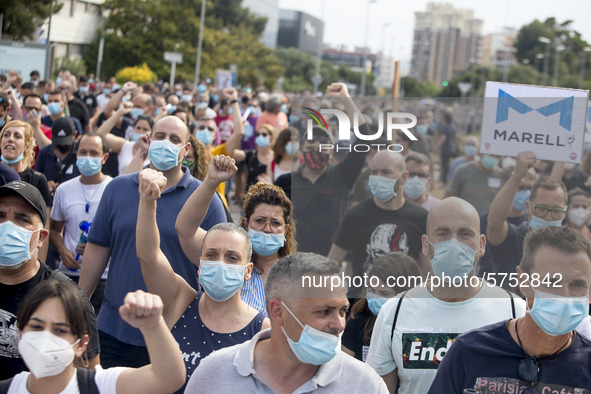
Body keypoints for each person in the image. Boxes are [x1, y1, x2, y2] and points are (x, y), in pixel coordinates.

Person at [79, 116, 226, 369]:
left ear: (186, 149)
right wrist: (79, 306)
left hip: (175, 333)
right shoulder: (117, 189)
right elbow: (97, 248)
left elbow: (218, 264)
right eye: (160, 137)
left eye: (174, 139)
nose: (165, 143)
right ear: (148, 140)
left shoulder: (205, 199)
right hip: (114, 331)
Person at [366, 197, 526, 394]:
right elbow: (379, 388)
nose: (454, 243)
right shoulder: (394, 311)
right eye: (442, 234)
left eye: (465, 234)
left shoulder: (514, 309)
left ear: (481, 244)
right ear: (426, 244)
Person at [137, 160, 269, 393]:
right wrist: (147, 202)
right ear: (200, 265)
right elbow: (149, 256)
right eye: (211, 254)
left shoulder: (262, 331)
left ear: (247, 271)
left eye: (231, 258)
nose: (220, 263)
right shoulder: (180, 301)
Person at [185, 252, 389, 393]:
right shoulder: (213, 373)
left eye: (343, 311)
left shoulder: (365, 385)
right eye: (324, 312)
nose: (339, 324)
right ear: (278, 312)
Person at [428, 226, 591, 392]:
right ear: (523, 281)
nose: (565, 296)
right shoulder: (469, 351)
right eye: (551, 283)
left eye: (578, 285)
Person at [0, 280, 186, 393]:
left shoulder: (101, 386)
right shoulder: (6, 389)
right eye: (37, 327)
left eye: (60, 330)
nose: (45, 338)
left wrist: (153, 326)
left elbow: (169, 378)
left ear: (81, 344)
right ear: (21, 333)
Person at [0, 181, 100, 380]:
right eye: (1, 216)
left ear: (41, 238)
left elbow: (89, 375)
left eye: (22, 219)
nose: (8, 226)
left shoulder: (67, 298)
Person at [275, 82, 371, 255]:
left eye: (323, 142)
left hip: (328, 264)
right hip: (292, 262)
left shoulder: (342, 176)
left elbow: (365, 137)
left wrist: (346, 100)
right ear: (302, 147)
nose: (317, 145)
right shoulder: (285, 182)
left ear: (331, 149)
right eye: (312, 141)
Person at [328, 151, 429, 287]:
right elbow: (330, 266)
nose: (378, 177)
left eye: (386, 172)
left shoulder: (421, 217)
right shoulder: (355, 215)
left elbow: (428, 272)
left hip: (403, 303)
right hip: (361, 304)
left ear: (404, 177)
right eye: (374, 172)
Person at [49, 133, 112, 314]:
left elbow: (121, 234)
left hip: (104, 275)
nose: (88, 158)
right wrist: (63, 250)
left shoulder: (113, 188)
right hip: (70, 273)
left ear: (104, 157)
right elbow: (54, 229)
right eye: (83, 152)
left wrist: (97, 248)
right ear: (76, 155)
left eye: (94, 153)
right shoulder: (64, 190)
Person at [487, 151, 568, 285]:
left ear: (565, 212)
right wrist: (517, 175)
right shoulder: (514, 238)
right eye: (541, 209)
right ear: (528, 207)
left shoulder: (571, 248)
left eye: (556, 211)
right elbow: (495, 223)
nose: (548, 216)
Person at [342, 252, 421, 362]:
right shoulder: (357, 322)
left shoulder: (421, 328)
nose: (375, 298)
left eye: (384, 293)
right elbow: (344, 369)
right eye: (372, 290)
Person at [0, 120, 52, 262]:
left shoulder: (37, 180)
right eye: (6, 135)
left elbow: (44, 227)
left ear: (27, 147)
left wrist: (39, 269)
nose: (10, 139)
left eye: (17, 136)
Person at [95, 101, 152, 175]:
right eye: (138, 128)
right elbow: (100, 135)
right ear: (133, 129)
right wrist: (119, 113)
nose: (141, 131)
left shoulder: (155, 152)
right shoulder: (124, 145)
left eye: (145, 129)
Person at [35, 117, 81, 195]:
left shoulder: (81, 152)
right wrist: (45, 185)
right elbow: (36, 181)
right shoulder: (45, 153)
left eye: (65, 142)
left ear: (74, 135)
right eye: (58, 142)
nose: (62, 145)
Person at [234, 123, 275, 189]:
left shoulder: (278, 158)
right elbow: (231, 152)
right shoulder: (251, 154)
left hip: (270, 197)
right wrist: (238, 132)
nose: (260, 137)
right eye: (258, 134)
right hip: (250, 197)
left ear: (272, 138)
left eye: (264, 134)